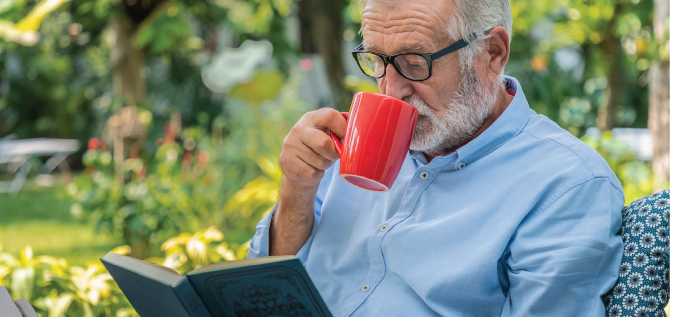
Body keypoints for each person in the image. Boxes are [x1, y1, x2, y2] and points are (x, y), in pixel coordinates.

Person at [248, 0, 625, 315]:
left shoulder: (566, 185)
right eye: (378, 60)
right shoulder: (351, 143)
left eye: (415, 63)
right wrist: (297, 189)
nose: (390, 91)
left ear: (493, 53)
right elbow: (262, 291)